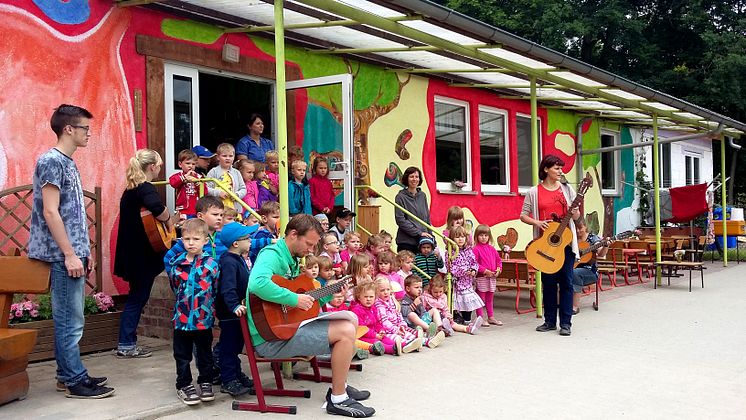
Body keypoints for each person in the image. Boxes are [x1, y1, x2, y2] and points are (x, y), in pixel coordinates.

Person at [247, 214, 375, 417]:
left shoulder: (292, 258)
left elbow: (304, 305)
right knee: (345, 331)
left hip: (285, 328)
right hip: (270, 338)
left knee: (351, 319)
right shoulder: (271, 254)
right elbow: (257, 284)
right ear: (293, 234)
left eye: (314, 246)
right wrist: (294, 299)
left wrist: (329, 293)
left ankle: (339, 385)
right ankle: (338, 399)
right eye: (308, 244)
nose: (310, 250)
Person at [29, 104, 114, 398]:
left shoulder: (68, 162)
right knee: (69, 319)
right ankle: (74, 379)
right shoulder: (51, 161)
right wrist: (69, 254)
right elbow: (51, 212)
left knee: (72, 317)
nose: (88, 134)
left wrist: (81, 250)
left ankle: (68, 374)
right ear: (69, 129)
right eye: (85, 129)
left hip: (73, 253)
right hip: (62, 256)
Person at [115, 149, 173, 359]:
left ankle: (126, 342)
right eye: (159, 164)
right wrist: (169, 220)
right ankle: (126, 344)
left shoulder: (130, 189)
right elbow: (158, 209)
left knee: (136, 296)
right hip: (141, 255)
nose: (160, 168)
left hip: (132, 253)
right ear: (152, 167)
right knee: (137, 298)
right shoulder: (145, 188)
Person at [519, 154, 581, 337]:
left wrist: (575, 211)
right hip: (545, 246)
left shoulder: (566, 189)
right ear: (546, 169)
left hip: (566, 244)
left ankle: (566, 323)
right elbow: (523, 215)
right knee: (549, 283)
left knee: (567, 283)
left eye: (561, 168)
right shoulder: (533, 192)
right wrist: (537, 223)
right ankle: (549, 321)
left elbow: (576, 217)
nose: (560, 171)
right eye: (557, 168)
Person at [166, 218, 219, 405]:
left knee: (205, 353)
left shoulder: (212, 264)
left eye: (196, 239)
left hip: (203, 319)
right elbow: (175, 287)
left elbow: (215, 289)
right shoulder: (176, 264)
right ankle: (183, 384)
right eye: (186, 239)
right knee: (182, 354)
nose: (190, 243)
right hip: (182, 319)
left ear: (205, 240)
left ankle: (205, 381)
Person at [216, 222, 257, 397]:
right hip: (231, 313)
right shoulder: (228, 262)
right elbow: (228, 287)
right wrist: (234, 305)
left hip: (238, 313)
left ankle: (235, 374)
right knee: (229, 347)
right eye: (247, 238)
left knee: (236, 345)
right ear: (235, 243)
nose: (250, 241)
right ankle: (228, 379)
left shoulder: (237, 259)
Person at [164, 196, 226, 273]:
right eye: (215, 214)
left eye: (221, 215)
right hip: (195, 283)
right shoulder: (190, 238)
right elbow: (168, 258)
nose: (219, 218)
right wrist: (176, 278)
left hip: (217, 282)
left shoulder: (223, 237)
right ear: (200, 216)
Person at [373, 277, 423, 353]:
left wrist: (402, 325)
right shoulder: (379, 305)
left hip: (397, 327)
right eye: (382, 290)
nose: (386, 292)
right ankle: (408, 345)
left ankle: (424, 341)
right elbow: (384, 322)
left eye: (388, 289)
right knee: (398, 338)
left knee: (408, 335)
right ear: (376, 292)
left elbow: (398, 314)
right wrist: (396, 330)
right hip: (387, 331)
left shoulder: (392, 300)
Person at [447, 226, 484, 325]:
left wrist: (473, 270)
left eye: (463, 236)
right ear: (452, 238)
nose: (460, 239)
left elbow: (474, 262)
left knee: (469, 301)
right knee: (459, 302)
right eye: (457, 237)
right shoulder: (450, 252)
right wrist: (464, 271)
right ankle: (458, 319)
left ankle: (468, 321)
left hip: (468, 281)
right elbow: (451, 268)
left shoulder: (468, 250)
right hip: (458, 282)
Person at [349, 281, 398, 355]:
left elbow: (377, 323)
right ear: (359, 297)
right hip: (362, 336)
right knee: (376, 343)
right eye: (365, 297)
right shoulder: (356, 310)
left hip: (374, 333)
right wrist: (375, 335)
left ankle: (401, 345)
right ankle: (392, 349)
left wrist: (381, 330)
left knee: (386, 339)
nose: (368, 299)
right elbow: (362, 329)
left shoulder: (373, 308)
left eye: (371, 297)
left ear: (375, 297)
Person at [573, 219, 608, 314]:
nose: (578, 231)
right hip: (573, 267)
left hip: (590, 271)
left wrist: (605, 245)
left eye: (580, 228)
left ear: (585, 227)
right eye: (575, 228)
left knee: (575, 273)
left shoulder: (593, 238)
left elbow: (601, 254)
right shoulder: (572, 238)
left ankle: (575, 306)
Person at [400, 275, 446, 348]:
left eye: (420, 287)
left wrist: (427, 317)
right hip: (412, 324)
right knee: (412, 315)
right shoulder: (405, 300)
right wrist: (414, 304)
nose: (419, 290)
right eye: (416, 287)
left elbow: (423, 311)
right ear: (408, 288)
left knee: (434, 310)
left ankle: (439, 328)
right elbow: (405, 313)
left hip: (422, 321)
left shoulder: (419, 298)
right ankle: (429, 330)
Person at [394, 166, 432, 253]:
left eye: (417, 177)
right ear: (406, 178)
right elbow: (400, 220)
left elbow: (427, 218)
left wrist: (431, 236)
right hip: (406, 241)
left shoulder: (422, 196)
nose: (414, 179)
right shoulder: (400, 197)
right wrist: (418, 232)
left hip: (422, 241)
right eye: (411, 176)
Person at [472, 224, 503, 326]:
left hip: (492, 278)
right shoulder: (475, 249)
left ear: (489, 236)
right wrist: (484, 270)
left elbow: (499, 261)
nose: (484, 237)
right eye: (481, 235)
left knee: (490, 298)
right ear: (476, 236)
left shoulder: (492, 249)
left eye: (486, 235)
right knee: (481, 299)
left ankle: (491, 317)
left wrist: (498, 269)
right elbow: (474, 263)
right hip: (482, 278)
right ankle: (480, 318)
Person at [207, 143, 246, 214]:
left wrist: (237, 195)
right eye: (224, 156)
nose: (228, 158)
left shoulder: (237, 172)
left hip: (234, 207)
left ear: (234, 157)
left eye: (230, 156)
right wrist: (218, 193)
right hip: (218, 207)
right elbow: (206, 188)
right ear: (218, 157)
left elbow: (243, 188)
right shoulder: (213, 171)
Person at [169, 149, 203, 220]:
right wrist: (184, 177)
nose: (191, 166)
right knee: (184, 229)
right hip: (183, 210)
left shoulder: (199, 177)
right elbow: (173, 183)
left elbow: (205, 191)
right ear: (180, 164)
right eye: (188, 163)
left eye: (193, 164)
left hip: (196, 210)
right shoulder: (178, 176)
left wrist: (197, 182)